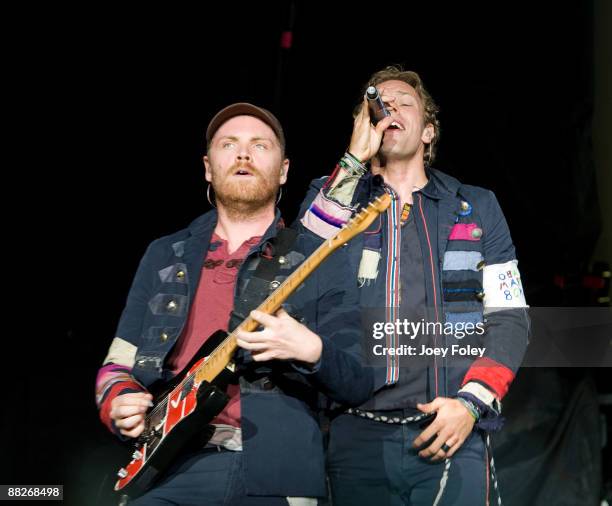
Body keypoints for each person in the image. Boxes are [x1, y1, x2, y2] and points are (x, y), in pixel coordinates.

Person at [95, 102, 373, 505]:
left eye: (260, 145)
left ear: (283, 171)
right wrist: (119, 401)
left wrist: (311, 350)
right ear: (208, 167)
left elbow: (360, 379)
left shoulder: (318, 257)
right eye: (229, 144)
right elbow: (115, 365)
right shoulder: (164, 254)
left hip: (277, 474)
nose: (243, 154)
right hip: (168, 471)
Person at [298, 66, 530, 505]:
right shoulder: (332, 196)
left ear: (428, 131)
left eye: (404, 103)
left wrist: (471, 403)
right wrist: (352, 163)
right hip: (355, 431)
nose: (390, 110)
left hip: (451, 426)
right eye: (378, 106)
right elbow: (298, 274)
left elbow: (510, 318)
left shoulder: (475, 206)